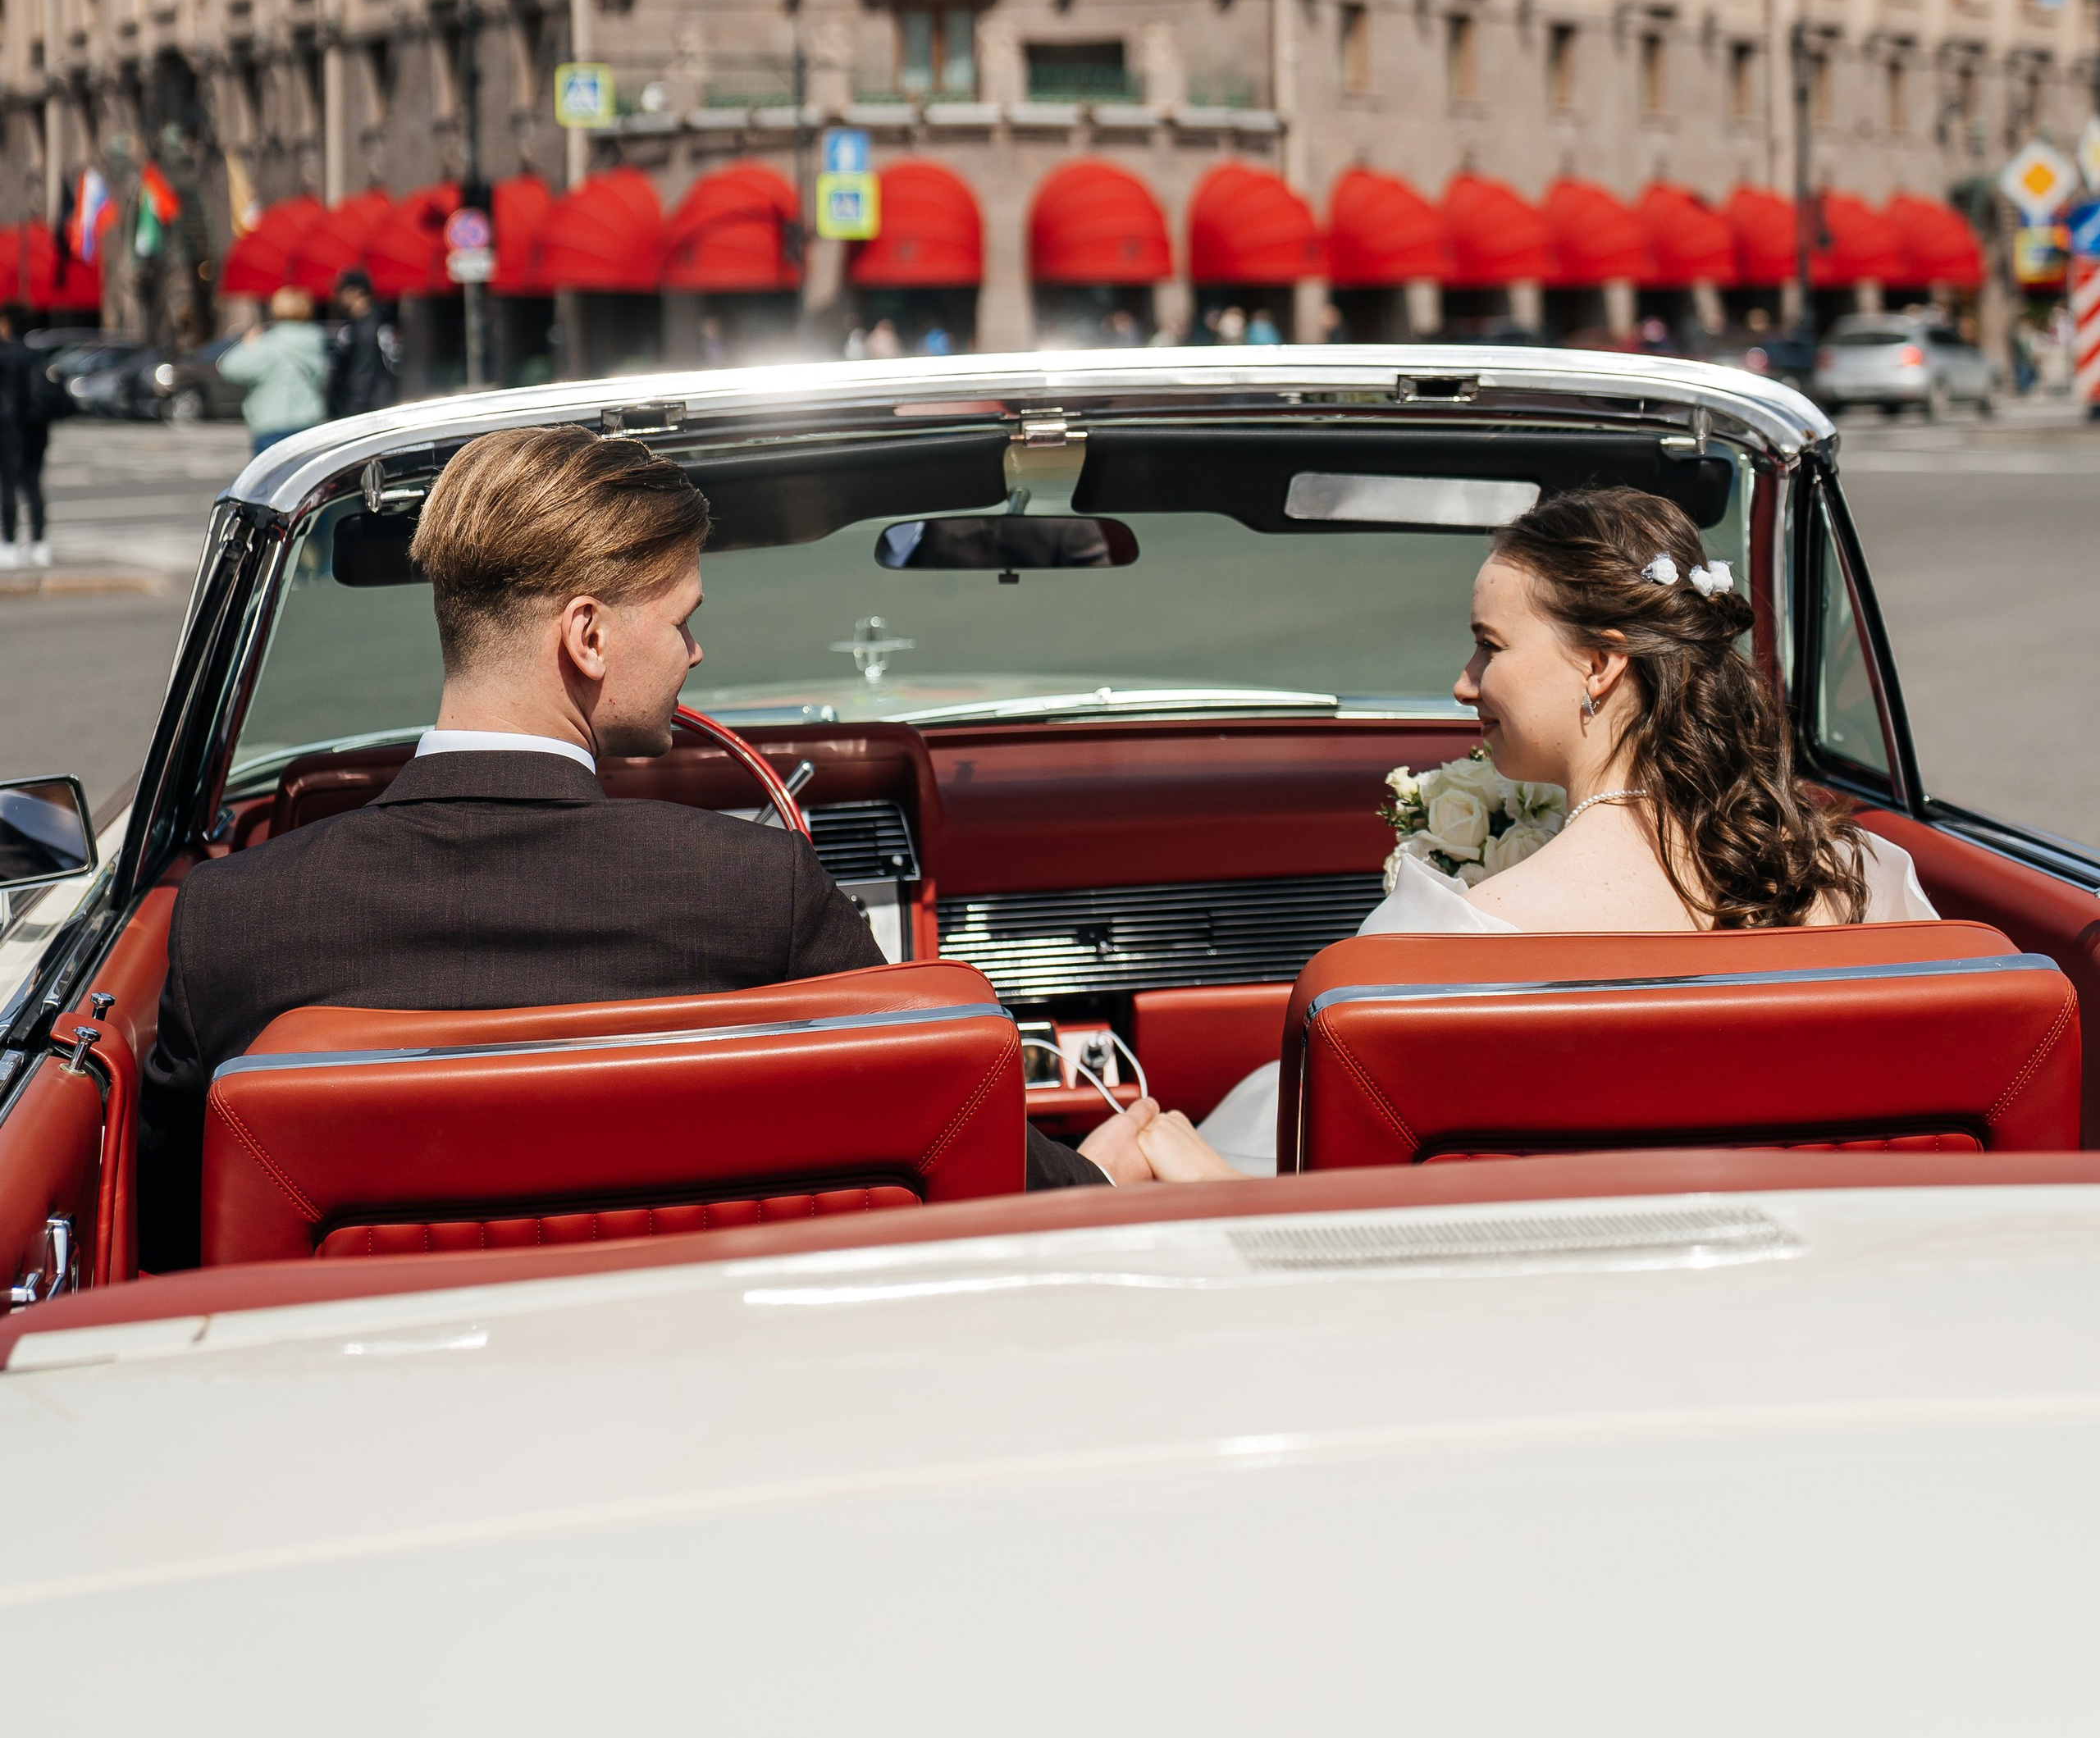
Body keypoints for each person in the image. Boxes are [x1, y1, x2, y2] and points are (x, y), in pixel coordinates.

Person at [137, 427, 1162, 1267]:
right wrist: (1110, 1172)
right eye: (681, 620)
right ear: (585, 636)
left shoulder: (235, 921)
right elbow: (941, 1141)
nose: (696, 651)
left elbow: (173, 1243)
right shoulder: (747, 891)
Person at [1150, 484, 1938, 1180]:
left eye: (1489, 645)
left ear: (1599, 665)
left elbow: (1351, 1214)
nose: (1464, 683)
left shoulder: (1442, 939)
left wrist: (1183, 1173)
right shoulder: (1864, 880)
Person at [220, 285, 329, 452]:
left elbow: (229, 368)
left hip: (271, 424)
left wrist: (248, 344)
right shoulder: (316, 341)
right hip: (307, 423)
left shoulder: (269, 344)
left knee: (273, 477)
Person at [0, 306, 52, 569]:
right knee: (33, 485)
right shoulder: (36, 355)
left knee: (8, 485)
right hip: (37, 427)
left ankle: (9, 542)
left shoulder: (5, 354)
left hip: (10, 428)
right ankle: (39, 544)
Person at [324, 267, 397, 423]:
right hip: (376, 406)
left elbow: (363, 375)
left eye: (341, 292)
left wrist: (352, 415)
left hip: (366, 413)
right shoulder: (376, 322)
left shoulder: (366, 329)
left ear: (357, 292)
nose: (338, 297)